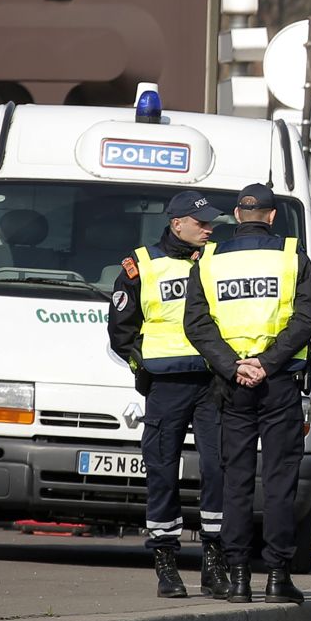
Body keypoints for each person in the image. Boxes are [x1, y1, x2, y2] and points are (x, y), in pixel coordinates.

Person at [182, 183, 311, 604]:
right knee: (279, 481)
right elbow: (307, 315)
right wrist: (269, 362)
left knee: (236, 482)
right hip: (277, 383)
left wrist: (233, 364)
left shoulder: (208, 260)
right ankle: (278, 577)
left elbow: (197, 323)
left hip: (231, 385)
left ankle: (238, 577)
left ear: (238, 217)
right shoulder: (291, 256)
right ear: (273, 217)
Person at [106, 190, 226, 599]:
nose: (209, 228)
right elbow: (121, 331)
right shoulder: (141, 266)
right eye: (202, 223)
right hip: (166, 385)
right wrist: (144, 368)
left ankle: (214, 560)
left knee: (218, 469)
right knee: (162, 472)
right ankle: (166, 564)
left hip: (212, 383)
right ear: (178, 224)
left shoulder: (216, 261)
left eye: (211, 222)